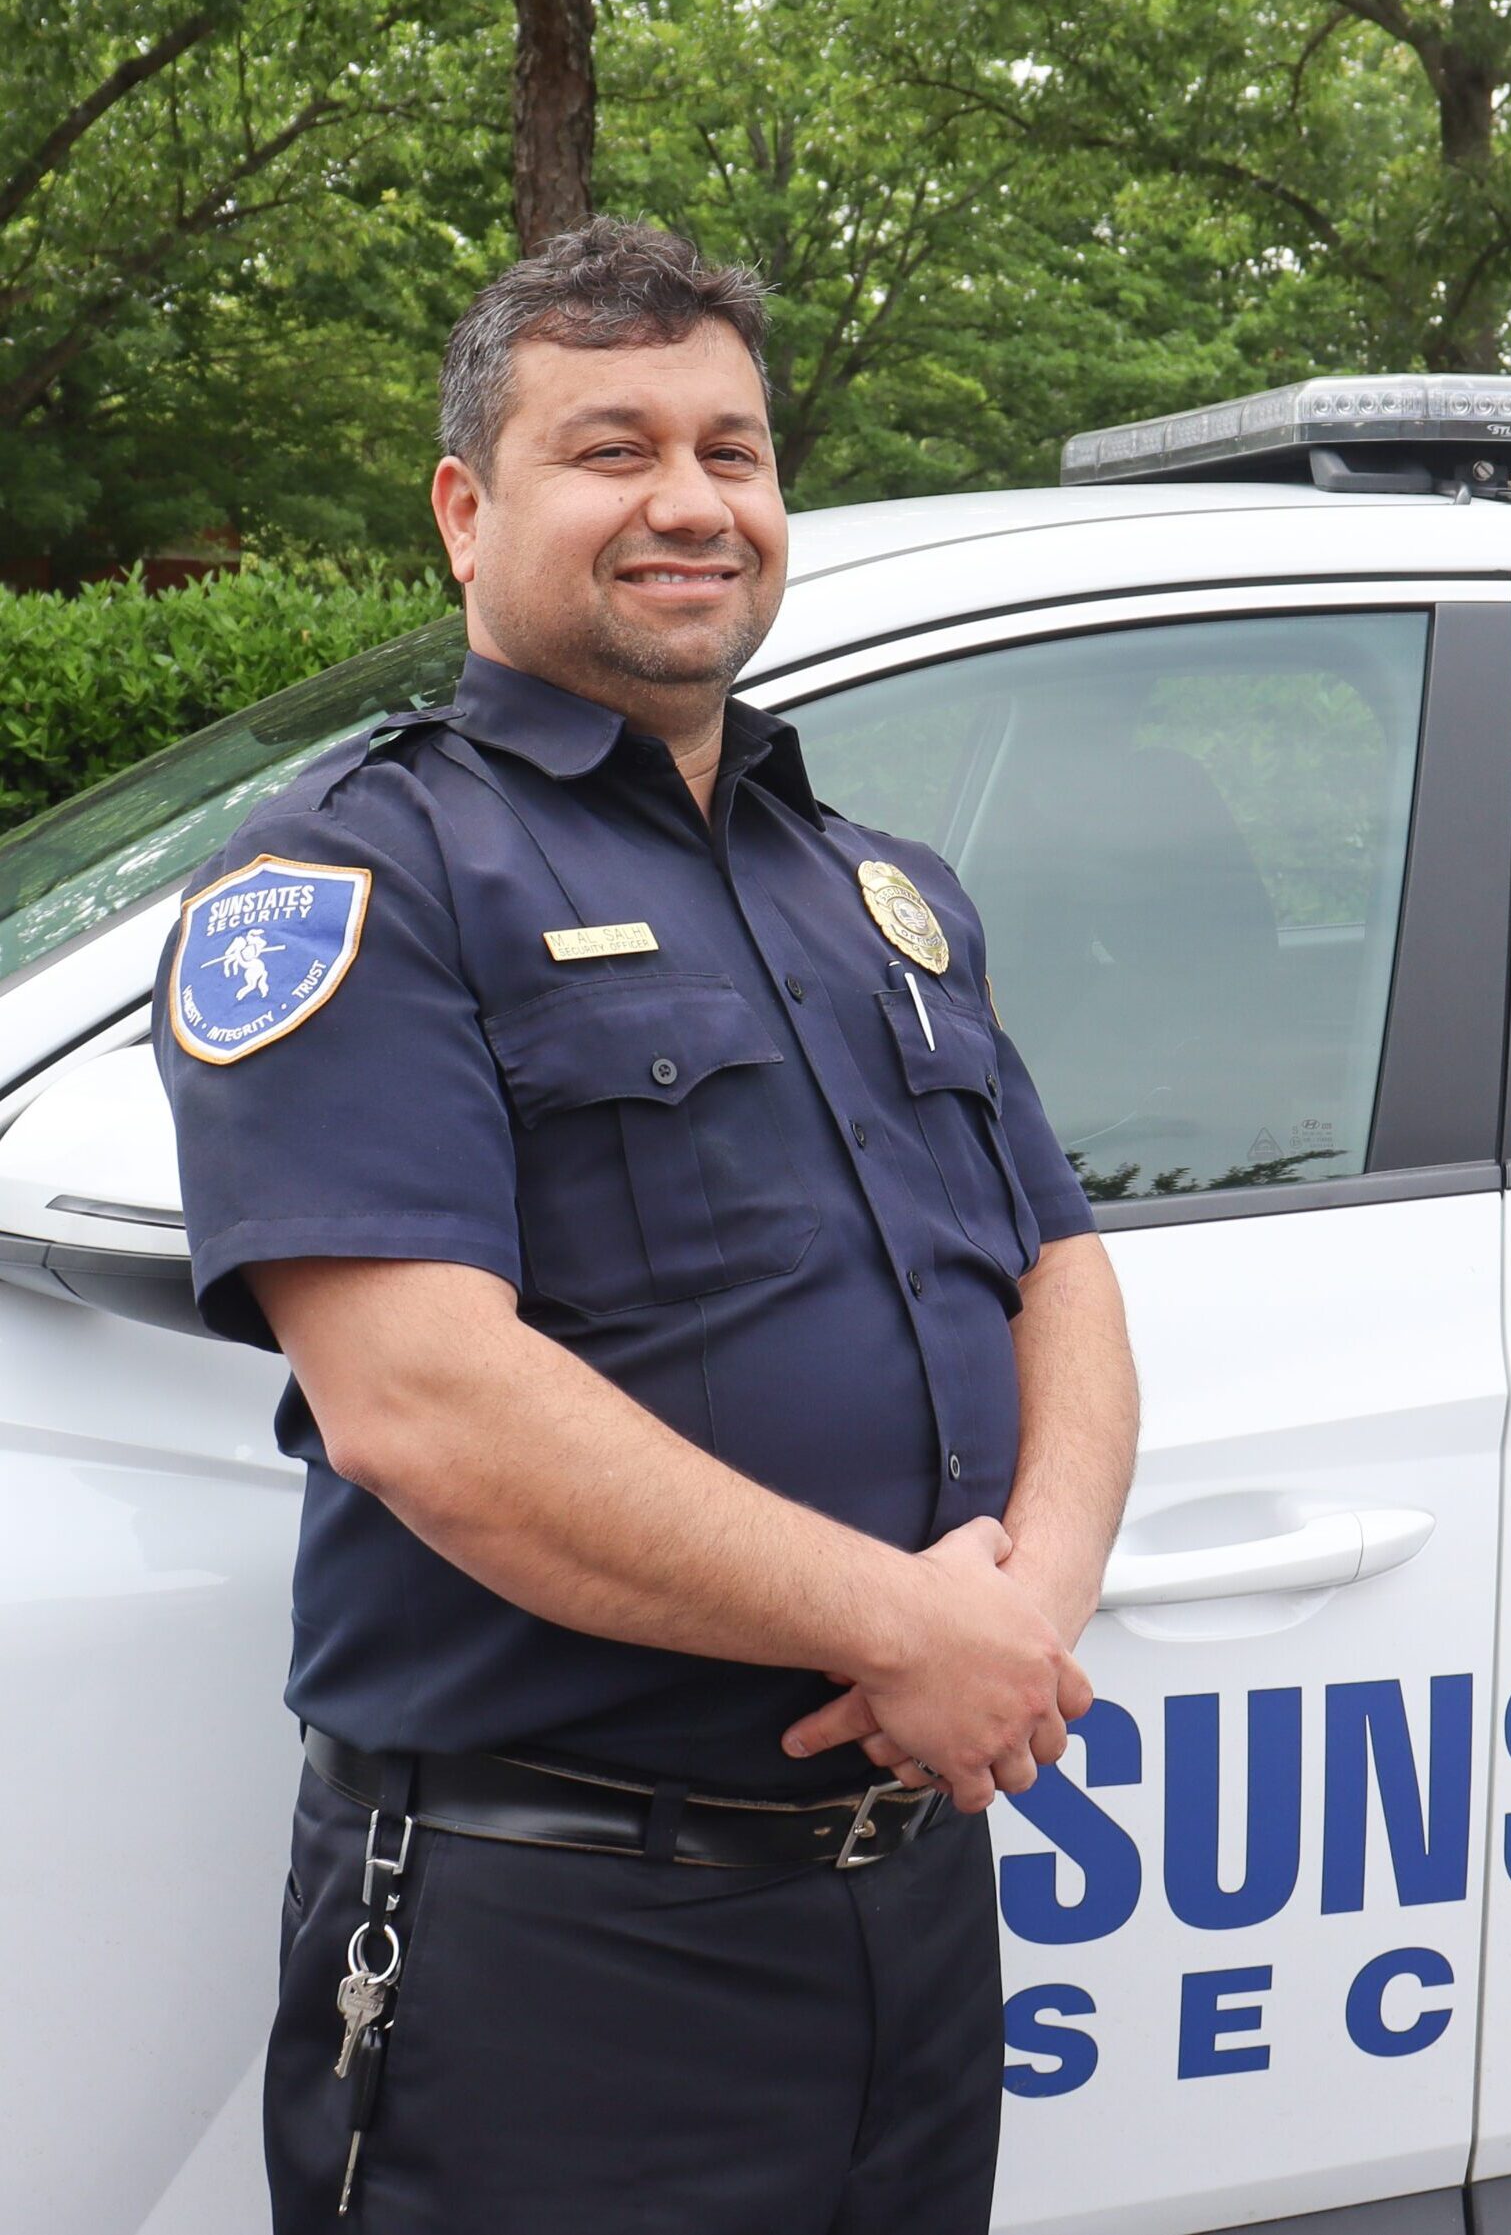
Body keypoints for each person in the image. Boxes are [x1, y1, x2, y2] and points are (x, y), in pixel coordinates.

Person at [155, 216, 1139, 2234]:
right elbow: (423, 1405)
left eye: (731, 451)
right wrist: (906, 1626)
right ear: (465, 512)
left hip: (907, 1908)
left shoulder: (879, 888)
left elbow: (1060, 1269)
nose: (690, 501)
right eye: (612, 448)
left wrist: (1020, 1611)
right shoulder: (359, 874)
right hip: (560, 1951)